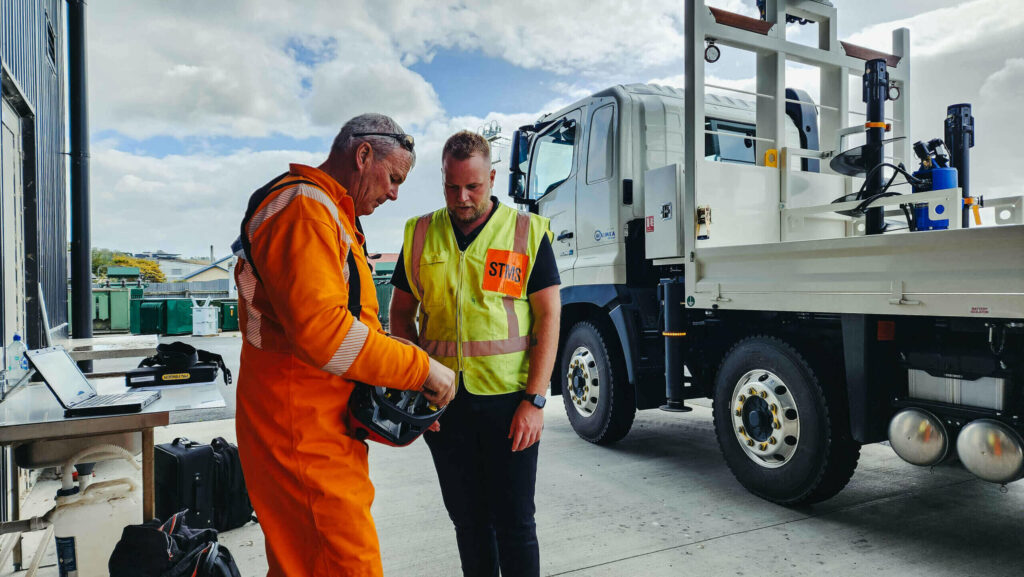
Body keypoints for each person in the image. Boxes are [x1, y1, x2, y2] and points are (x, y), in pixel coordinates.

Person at [233, 113, 457, 577]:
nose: (394, 193)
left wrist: (398, 394)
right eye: (393, 178)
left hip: (316, 424)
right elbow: (324, 334)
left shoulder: (328, 211)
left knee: (305, 562)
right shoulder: (305, 209)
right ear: (362, 155)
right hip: (301, 428)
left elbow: (355, 326)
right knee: (345, 564)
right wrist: (421, 369)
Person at [389, 130, 561, 577]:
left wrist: (536, 400)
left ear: (493, 177)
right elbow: (401, 317)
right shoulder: (421, 232)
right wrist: (417, 387)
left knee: (516, 525)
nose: (462, 198)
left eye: (474, 187)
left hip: (510, 404)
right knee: (468, 522)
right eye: (451, 186)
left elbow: (548, 319)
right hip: (443, 407)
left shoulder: (526, 232)